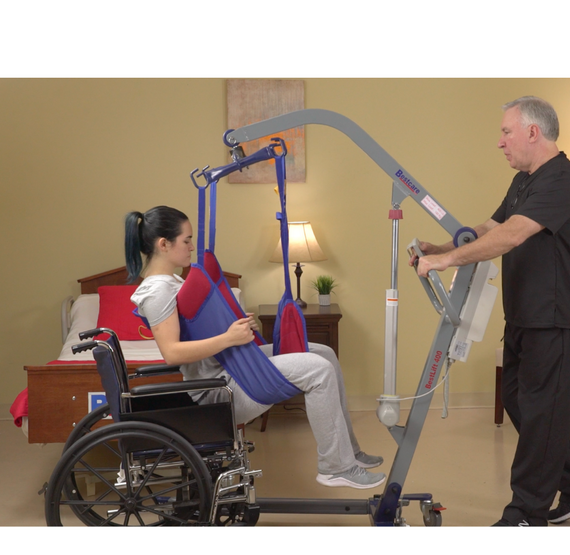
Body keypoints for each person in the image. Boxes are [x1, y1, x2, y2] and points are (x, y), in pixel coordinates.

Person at [412, 96, 570, 526]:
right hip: (524, 316)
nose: (500, 142)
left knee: (541, 416)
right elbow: (491, 227)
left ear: (533, 132)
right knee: (521, 402)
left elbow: (513, 235)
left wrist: (447, 263)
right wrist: (441, 247)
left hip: (554, 320)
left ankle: (525, 513)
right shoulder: (526, 180)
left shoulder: (562, 180)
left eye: (506, 132)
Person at [124, 205, 385, 490]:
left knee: (324, 353)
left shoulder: (173, 281)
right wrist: (229, 338)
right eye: (186, 240)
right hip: (221, 389)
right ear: (164, 244)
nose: (191, 247)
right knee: (318, 370)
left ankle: (349, 452)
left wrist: (237, 329)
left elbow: (197, 330)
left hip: (233, 365)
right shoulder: (157, 291)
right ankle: (335, 468)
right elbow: (172, 352)